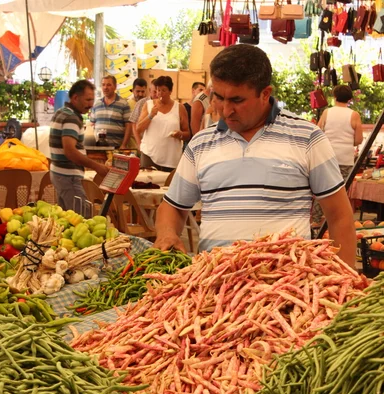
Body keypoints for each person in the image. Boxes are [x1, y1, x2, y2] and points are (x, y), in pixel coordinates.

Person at [154, 44, 356, 267]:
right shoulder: (201, 144)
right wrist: (167, 233)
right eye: (219, 97)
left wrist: (346, 281)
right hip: (214, 289)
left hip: (287, 288)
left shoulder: (307, 138)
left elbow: (340, 217)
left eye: (237, 100)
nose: (225, 109)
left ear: (265, 93)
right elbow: (173, 206)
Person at [49, 79, 109, 211]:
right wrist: (97, 166)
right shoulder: (71, 118)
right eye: (88, 100)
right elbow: (70, 151)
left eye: (92, 100)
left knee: (66, 218)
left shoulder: (61, 112)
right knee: (82, 217)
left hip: (59, 173)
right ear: (75, 98)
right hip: (68, 176)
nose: (91, 104)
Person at [136, 75, 190, 172]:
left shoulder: (179, 108)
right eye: (158, 90)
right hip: (150, 154)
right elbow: (139, 128)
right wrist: (151, 115)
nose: (160, 93)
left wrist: (180, 134)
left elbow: (187, 133)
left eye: (164, 90)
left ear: (170, 91)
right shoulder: (149, 105)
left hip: (171, 158)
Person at [317, 85, 363, 181]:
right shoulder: (354, 115)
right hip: (346, 159)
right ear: (349, 98)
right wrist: (348, 143)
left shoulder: (327, 112)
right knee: (343, 189)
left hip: (328, 158)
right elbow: (359, 140)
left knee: (327, 189)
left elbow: (317, 134)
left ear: (334, 96)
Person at [90, 75, 131, 148]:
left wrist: (124, 145)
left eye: (108, 85)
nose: (105, 87)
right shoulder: (96, 104)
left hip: (117, 148)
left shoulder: (124, 104)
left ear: (115, 87)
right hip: (98, 148)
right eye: (103, 85)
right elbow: (92, 124)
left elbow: (129, 126)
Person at [128, 81, 158, 149]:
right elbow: (134, 124)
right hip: (144, 143)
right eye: (154, 92)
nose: (157, 94)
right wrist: (139, 143)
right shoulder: (141, 103)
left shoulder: (164, 104)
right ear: (150, 90)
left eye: (158, 91)